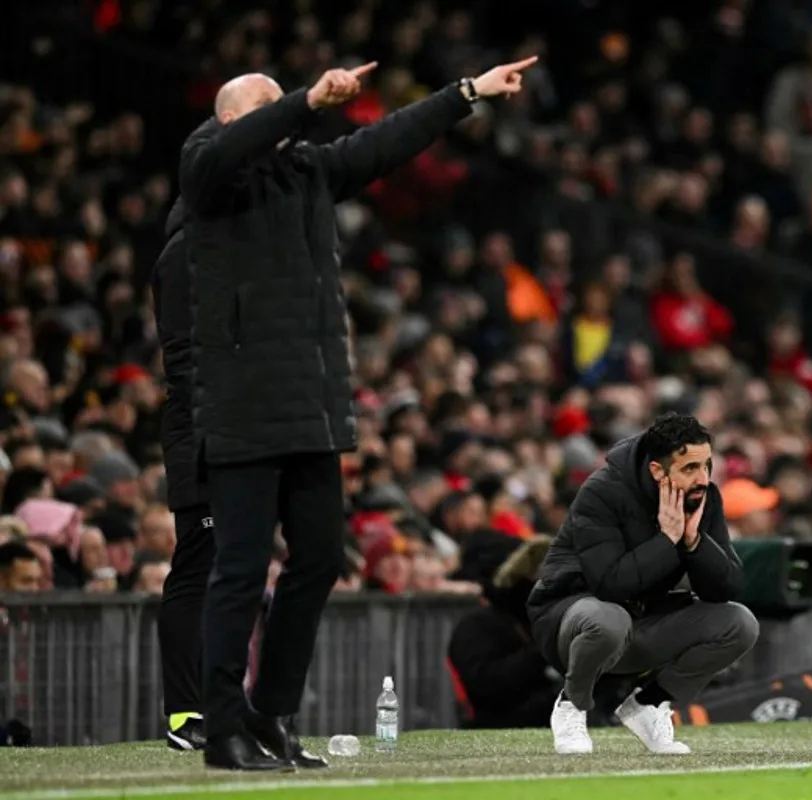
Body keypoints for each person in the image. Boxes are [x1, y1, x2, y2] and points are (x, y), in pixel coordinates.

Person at [180, 56, 538, 771]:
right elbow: (229, 151)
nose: (285, 114)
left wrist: (464, 94)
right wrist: (308, 100)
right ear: (230, 117)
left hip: (312, 412)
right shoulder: (207, 169)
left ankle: (271, 715)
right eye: (269, 106)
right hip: (245, 407)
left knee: (317, 564)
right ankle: (220, 728)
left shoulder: (308, 172)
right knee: (241, 573)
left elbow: (388, 140)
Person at [527, 412, 759, 755]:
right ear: (657, 470)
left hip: (642, 622)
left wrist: (694, 542)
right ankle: (572, 705)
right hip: (572, 620)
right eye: (690, 468)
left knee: (739, 623)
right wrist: (667, 540)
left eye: (707, 465)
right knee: (609, 619)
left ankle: (649, 705)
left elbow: (728, 589)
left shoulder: (703, 497)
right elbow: (610, 585)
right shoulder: (602, 492)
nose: (703, 478)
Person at [150, 197, 213, 753]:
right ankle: (184, 714)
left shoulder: (198, 249)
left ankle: (215, 708)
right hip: (202, 433)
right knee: (197, 565)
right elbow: (194, 358)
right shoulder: (185, 255)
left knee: (219, 570)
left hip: (219, 428)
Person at [447, 535, 562, 729]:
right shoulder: (478, 624)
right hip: (500, 723)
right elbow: (486, 686)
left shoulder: (539, 619)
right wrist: (542, 653)